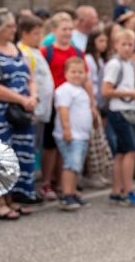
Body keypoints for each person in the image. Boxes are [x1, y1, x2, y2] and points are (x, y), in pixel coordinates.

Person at [0, 8, 38, 219]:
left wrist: (33, 97)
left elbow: (30, 78)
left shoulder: (18, 49)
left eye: (14, 26)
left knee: (19, 154)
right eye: (9, 26)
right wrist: (21, 99)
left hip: (20, 111)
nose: (13, 30)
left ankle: (12, 200)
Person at [40, 12, 97, 200]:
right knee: (51, 144)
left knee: (68, 144)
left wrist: (92, 103)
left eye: (70, 29)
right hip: (55, 101)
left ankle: (63, 183)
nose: (68, 33)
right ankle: (47, 181)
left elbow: (87, 79)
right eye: (64, 29)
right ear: (54, 30)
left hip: (75, 104)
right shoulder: (46, 51)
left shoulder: (77, 52)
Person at [102, 28, 135, 207]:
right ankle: (129, 192)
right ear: (115, 45)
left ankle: (116, 191)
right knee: (131, 151)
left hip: (126, 110)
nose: (128, 48)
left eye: (131, 44)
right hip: (119, 111)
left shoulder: (130, 64)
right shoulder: (115, 64)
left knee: (121, 154)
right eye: (124, 44)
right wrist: (133, 92)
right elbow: (106, 91)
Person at [17, 14, 54, 189]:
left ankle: (30, 183)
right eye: (36, 33)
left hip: (43, 109)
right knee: (30, 148)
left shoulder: (35, 50)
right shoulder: (23, 51)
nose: (39, 37)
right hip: (34, 109)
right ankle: (26, 184)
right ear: (24, 33)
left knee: (36, 147)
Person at [54, 58, 94, 210]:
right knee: (71, 164)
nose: (77, 75)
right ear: (65, 73)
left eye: (80, 72)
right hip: (72, 135)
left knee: (76, 165)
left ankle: (73, 191)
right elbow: (63, 110)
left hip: (82, 135)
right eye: (73, 72)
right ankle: (66, 195)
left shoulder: (81, 90)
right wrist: (66, 129)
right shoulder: (65, 90)